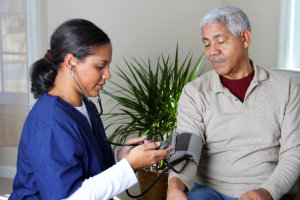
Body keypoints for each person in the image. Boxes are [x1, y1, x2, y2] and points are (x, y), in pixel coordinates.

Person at [9, 19, 174, 200]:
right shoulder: (51, 124)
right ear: (70, 62)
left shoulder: (86, 106)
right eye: (100, 66)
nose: (108, 74)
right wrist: (127, 166)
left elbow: (86, 166)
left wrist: (118, 158)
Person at [167, 6, 300, 200]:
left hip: (266, 191)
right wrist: (175, 187)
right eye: (206, 44)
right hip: (209, 192)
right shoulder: (195, 92)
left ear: (245, 38)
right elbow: (187, 147)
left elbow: (294, 153)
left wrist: (267, 192)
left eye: (220, 41)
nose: (212, 52)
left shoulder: (285, 89)